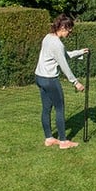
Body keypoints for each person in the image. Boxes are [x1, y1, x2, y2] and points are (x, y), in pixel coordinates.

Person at [35, 14, 89, 149]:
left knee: (46, 109)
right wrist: (75, 82)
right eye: (69, 29)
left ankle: (49, 138)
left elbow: (64, 55)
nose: (70, 33)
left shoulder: (48, 37)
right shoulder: (57, 44)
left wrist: (80, 52)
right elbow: (64, 65)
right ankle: (64, 142)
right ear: (63, 27)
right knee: (60, 109)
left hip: (39, 78)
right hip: (50, 80)